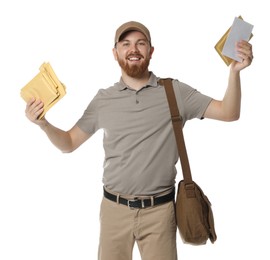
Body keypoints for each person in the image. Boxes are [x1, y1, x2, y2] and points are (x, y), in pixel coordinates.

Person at [25, 21, 253, 260]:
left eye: (140, 43)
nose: (133, 49)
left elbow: (229, 112)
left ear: (151, 51)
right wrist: (44, 124)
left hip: (160, 213)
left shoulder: (174, 91)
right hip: (114, 211)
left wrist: (234, 73)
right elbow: (69, 143)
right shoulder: (104, 100)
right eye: (126, 44)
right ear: (115, 53)